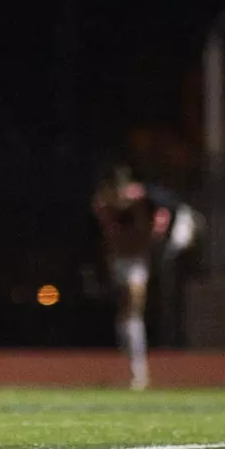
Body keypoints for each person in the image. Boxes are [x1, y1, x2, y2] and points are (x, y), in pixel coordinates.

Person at [91, 166, 161, 389]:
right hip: (118, 260)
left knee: (133, 310)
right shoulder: (105, 204)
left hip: (137, 261)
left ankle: (139, 372)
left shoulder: (141, 201)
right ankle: (131, 362)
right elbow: (105, 222)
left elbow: (157, 209)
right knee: (124, 314)